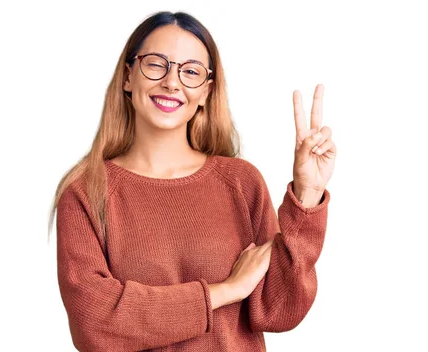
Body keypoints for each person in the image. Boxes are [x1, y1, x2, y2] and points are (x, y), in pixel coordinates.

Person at [48, 11, 336, 352]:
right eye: (156, 64)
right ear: (128, 76)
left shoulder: (241, 184)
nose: (172, 82)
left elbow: (278, 309)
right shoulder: (86, 192)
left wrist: (308, 193)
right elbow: (94, 323)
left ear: (206, 92)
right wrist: (225, 290)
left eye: (190, 71)